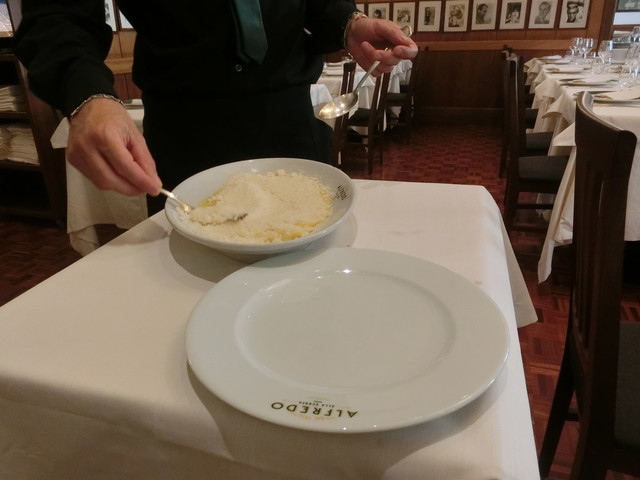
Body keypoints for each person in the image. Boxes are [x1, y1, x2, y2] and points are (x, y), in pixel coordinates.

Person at [13, 1, 417, 213]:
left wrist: (347, 22)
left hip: (292, 121)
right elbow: (57, 14)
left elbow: (318, 3)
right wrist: (85, 93)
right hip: (184, 135)